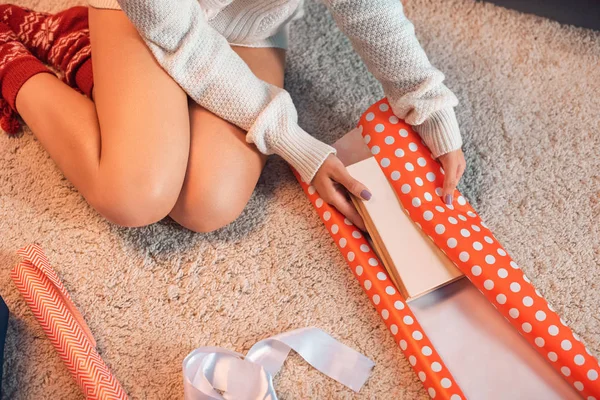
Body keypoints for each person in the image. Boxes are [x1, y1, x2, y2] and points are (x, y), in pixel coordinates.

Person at [0, 0, 466, 233]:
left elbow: (364, 8)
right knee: (135, 197)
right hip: (153, 18)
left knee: (208, 205)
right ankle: (17, 62)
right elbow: (181, 40)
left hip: (250, 23)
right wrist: (293, 141)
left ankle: (90, 61)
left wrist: (427, 102)